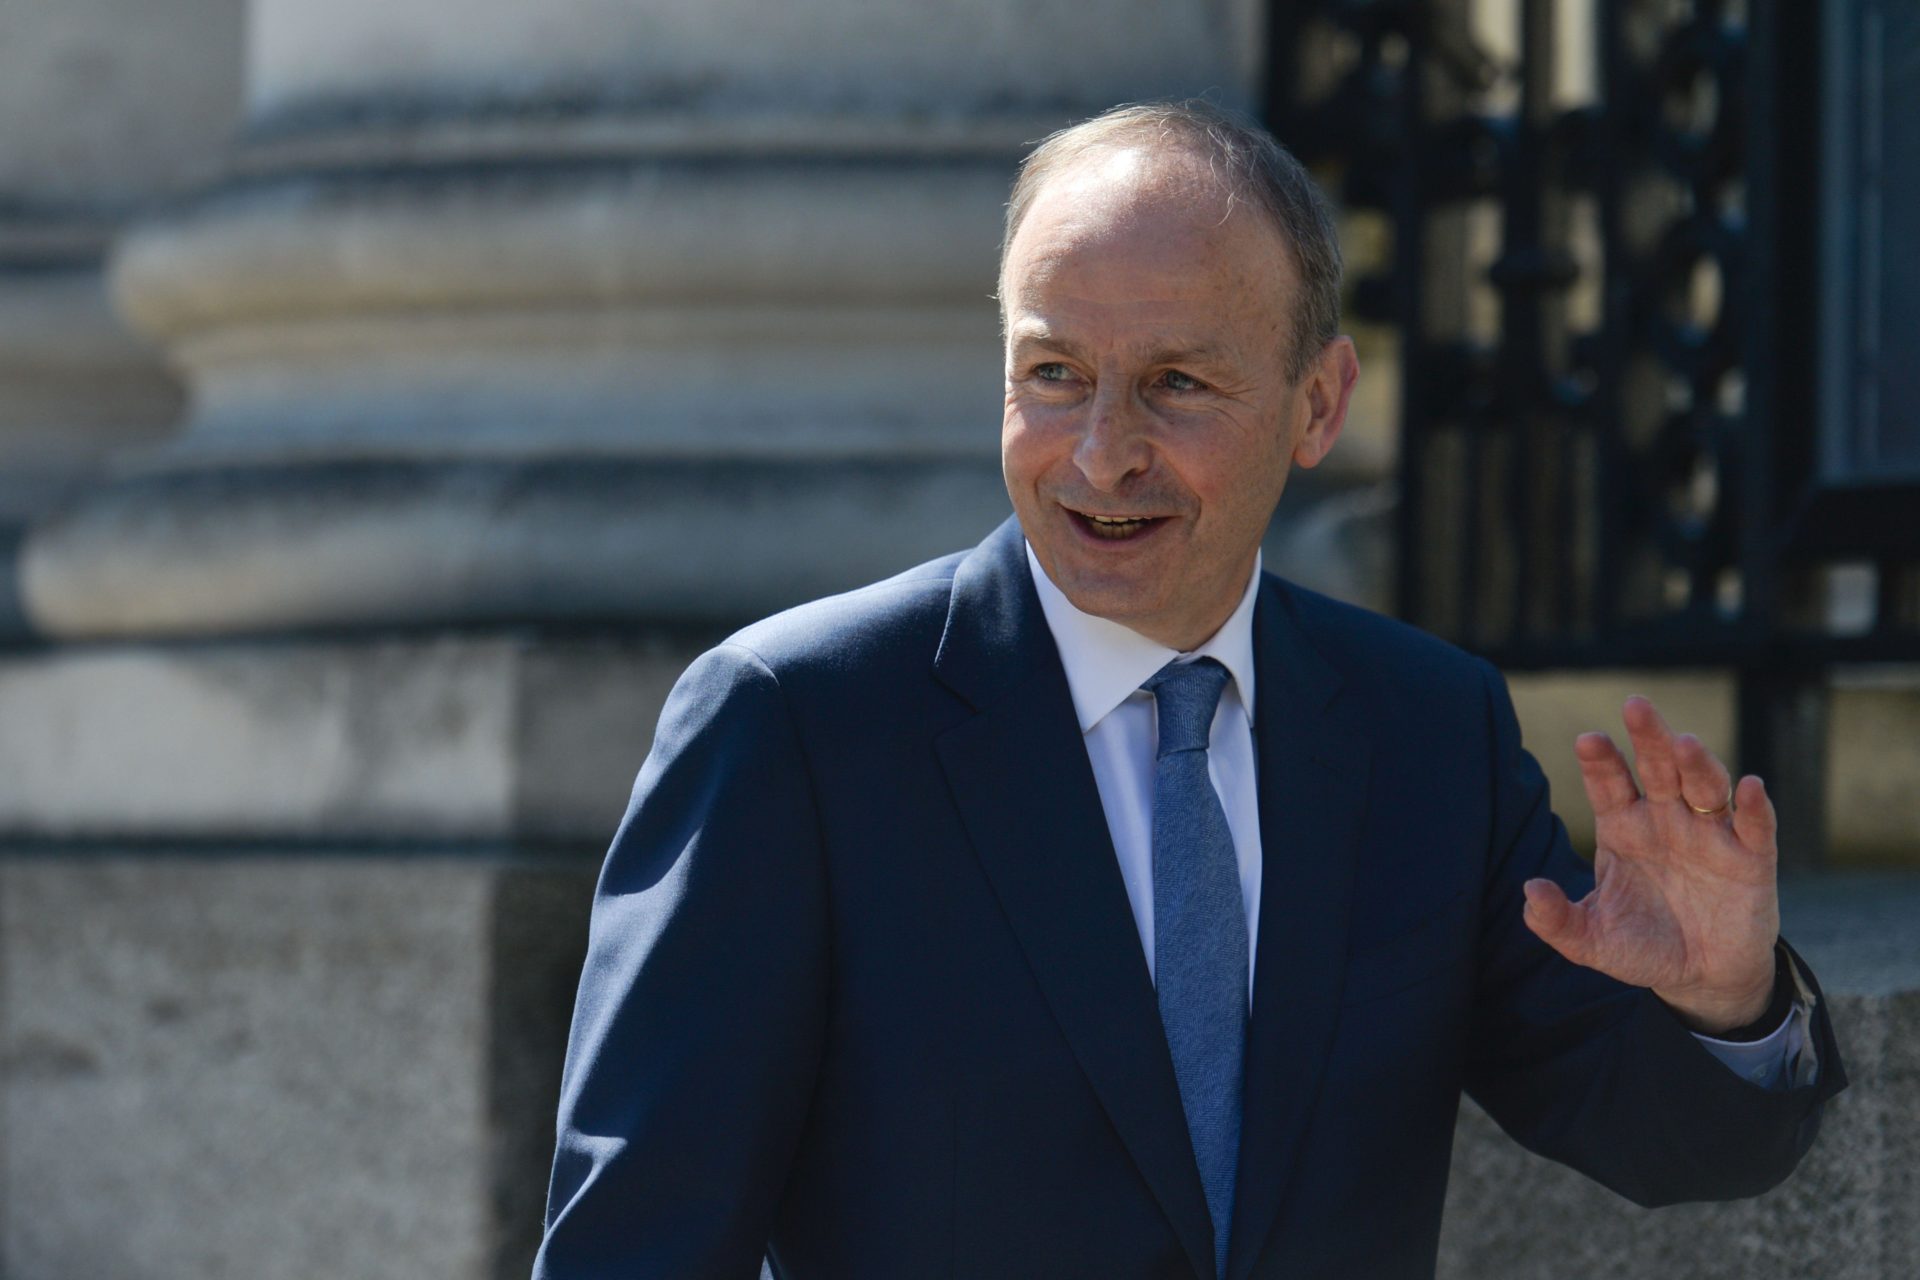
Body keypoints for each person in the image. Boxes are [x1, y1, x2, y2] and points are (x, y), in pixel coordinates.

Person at [533, 101, 1843, 1280]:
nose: (1103, 455)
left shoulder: (1425, 731)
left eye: (1176, 383)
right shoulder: (799, 724)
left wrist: (1724, 1000)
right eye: (1055, 375)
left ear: (1318, 403)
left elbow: (1672, 1145)